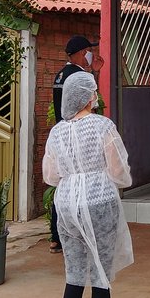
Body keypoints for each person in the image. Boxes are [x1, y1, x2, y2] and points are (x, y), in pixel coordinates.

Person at [42, 71, 133, 298]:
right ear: (89, 97)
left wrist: (73, 179)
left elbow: (50, 176)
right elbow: (118, 171)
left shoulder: (56, 133)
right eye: (93, 91)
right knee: (100, 275)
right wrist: (101, 179)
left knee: (74, 275)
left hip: (66, 204)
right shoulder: (103, 126)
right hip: (99, 202)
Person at [49, 35, 106, 253]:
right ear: (83, 53)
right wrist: (95, 74)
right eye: (89, 51)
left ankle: (57, 237)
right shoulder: (80, 76)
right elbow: (92, 104)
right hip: (79, 136)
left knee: (63, 185)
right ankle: (83, 233)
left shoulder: (61, 74)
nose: (91, 55)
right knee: (83, 184)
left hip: (61, 135)